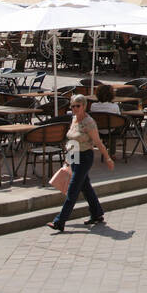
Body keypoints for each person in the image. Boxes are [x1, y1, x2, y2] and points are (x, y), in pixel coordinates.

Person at [48, 94, 113, 231]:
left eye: (78, 105)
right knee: (85, 187)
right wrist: (68, 159)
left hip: (85, 157)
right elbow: (71, 140)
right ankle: (97, 213)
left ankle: (60, 221)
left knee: (73, 190)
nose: (75, 108)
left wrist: (107, 158)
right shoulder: (74, 119)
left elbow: (98, 142)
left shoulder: (89, 122)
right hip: (74, 155)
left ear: (84, 106)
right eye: (73, 106)